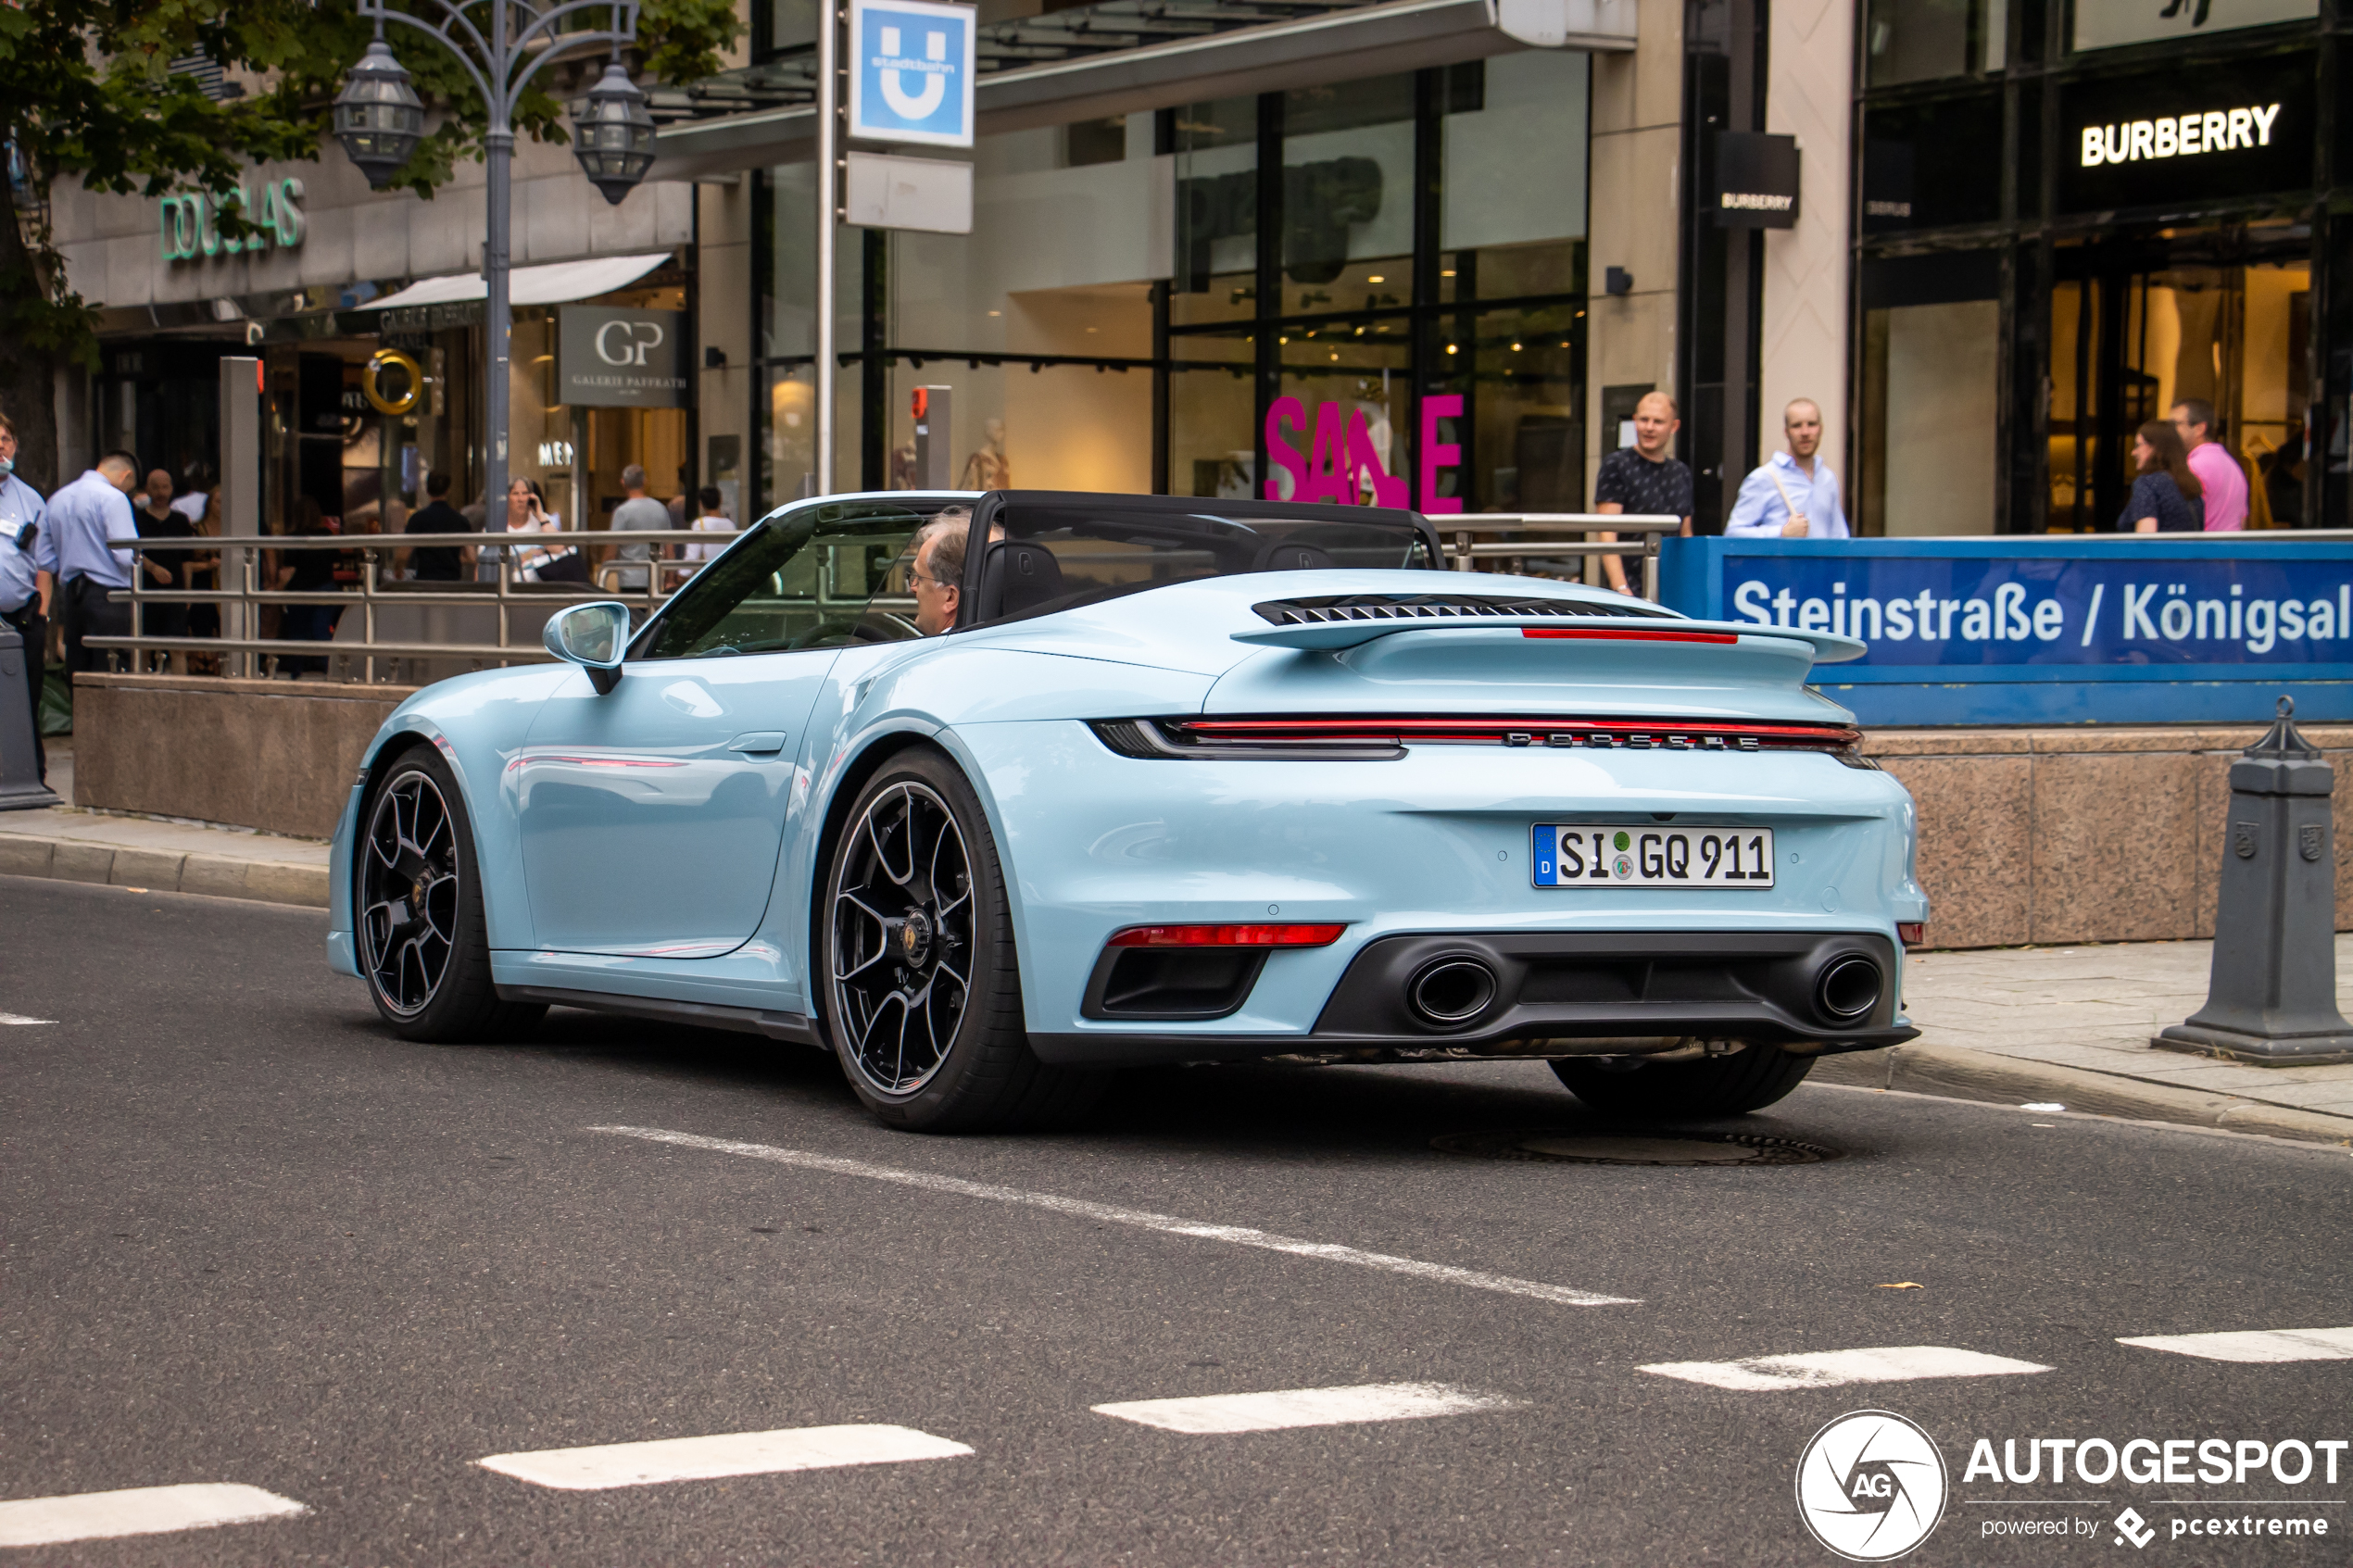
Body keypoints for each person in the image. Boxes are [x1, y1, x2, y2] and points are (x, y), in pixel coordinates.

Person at [1592, 390, 1694, 594]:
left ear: (1674, 426)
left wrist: (1691, 584)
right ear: (1634, 421)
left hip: (1671, 586)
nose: (1649, 428)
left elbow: (1686, 534)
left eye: (1658, 422)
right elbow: (1606, 532)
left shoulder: (1681, 472)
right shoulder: (1617, 465)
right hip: (1629, 587)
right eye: (1644, 420)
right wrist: (1621, 588)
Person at [48, 450, 142, 674]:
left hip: (72, 593)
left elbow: (45, 557)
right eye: (129, 487)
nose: (126, 492)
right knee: (112, 667)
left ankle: (78, 711)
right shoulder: (113, 497)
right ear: (126, 476)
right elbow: (125, 555)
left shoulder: (57, 498)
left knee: (78, 669)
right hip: (109, 595)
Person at [0, 412, 56, 782]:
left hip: (22, 617)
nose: (0, 447)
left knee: (27, 699)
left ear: (15, 446)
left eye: (5, 439)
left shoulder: (30, 498)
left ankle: (30, 776)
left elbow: (44, 564)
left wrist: (42, 615)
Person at [1725, 399, 1850, 538]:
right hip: (1780, 560)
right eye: (1797, 426)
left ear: (1821, 428)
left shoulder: (1827, 478)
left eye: (1811, 424)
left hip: (1821, 561)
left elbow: (1839, 535)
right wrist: (1781, 532)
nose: (1805, 432)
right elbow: (1733, 533)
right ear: (1786, 431)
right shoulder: (1764, 478)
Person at [133, 468, 194, 665]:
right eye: (155, 487)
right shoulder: (137, 519)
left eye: (165, 487)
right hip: (145, 590)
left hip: (175, 591)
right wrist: (152, 568)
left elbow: (187, 560)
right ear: (147, 490)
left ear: (171, 489)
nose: (160, 492)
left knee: (178, 646)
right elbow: (132, 554)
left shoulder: (180, 520)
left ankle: (181, 693)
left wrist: (188, 593)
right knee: (144, 646)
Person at [2170, 398, 2247, 532]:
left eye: (2175, 424)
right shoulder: (2232, 466)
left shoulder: (2193, 466)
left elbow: (2181, 520)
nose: (2169, 431)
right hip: (2231, 548)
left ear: (2200, 428)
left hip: (2204, 549)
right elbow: (2243, 519)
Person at [2118, 420, 2204, 533]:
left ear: (2155, 447)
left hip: (2163, 550)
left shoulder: (2147, 483)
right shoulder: (2190, 484)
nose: (2133, 452)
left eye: (2138, 445)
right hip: (2192, 550)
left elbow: (2146, 539)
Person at [508, 477, 588, 583]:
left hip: (544, 587)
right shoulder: (496, 525)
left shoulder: (544, 521)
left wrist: (540, 514)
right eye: (515, 494)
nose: (521, 499)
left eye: (525, 493)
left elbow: (557, 548)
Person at [399, 470, 474, 582]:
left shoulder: (418, 518)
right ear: (447, 491)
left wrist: (398, 569)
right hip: (452, 581)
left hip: (426, 580)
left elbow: (403, 553)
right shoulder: (460, 520)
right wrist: (452, 559)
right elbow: (471, 557)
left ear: (427, 491)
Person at [609, 464, 671, 592]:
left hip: (629, 578)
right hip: (654, 576)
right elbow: (670, 547)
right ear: (645, 482)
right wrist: (670, 577)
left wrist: (603, 570)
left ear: (623, 482)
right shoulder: (660, 508)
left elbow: (611, 547)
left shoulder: (622, 512)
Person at [683, 485, 737, 569]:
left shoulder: (700, 523)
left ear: (701, 504)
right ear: (720, 500)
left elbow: (693, 554)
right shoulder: (730, 524)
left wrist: (683, 573)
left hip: (709, 569)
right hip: (727, 568)